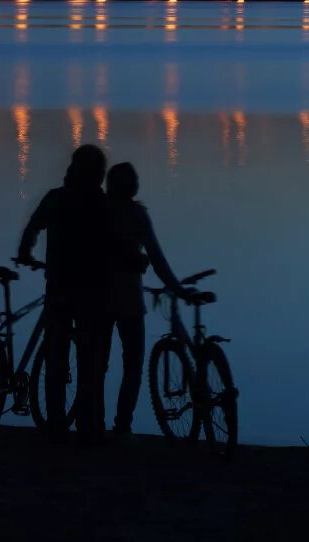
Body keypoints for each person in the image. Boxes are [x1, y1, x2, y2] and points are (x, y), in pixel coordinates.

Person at [16, 144, 110, 444]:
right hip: (91, 291)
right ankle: (87, 425)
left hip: (58, 285)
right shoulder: (101, 203)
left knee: (56, 355)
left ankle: (56, 421)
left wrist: (25, 253)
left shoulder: (56, 198)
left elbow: (33, 228)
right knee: (88, 359)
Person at [104, 162, 189, 439]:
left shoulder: (98, 211)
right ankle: (122, 425)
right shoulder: (137, 215)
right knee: (133, 365)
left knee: (95, 364)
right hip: (128, 298)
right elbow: (157, 258)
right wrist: (176, 287)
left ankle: (90, 423)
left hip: (97, 297)